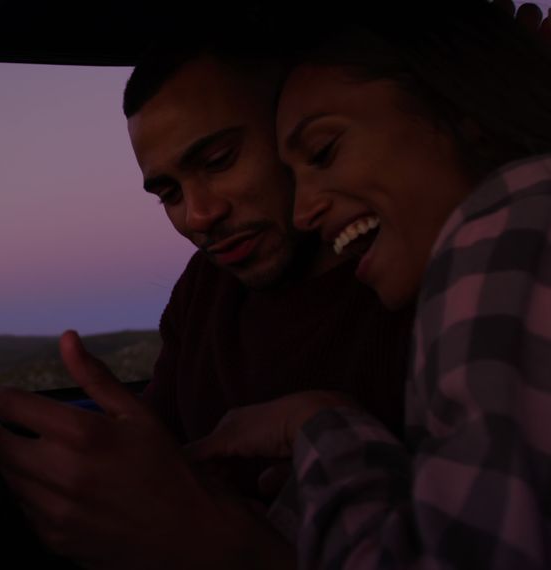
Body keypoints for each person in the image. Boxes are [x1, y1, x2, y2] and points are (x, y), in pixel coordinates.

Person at [0, 4, 414, 567]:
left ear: (293, 124)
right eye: (169, 194)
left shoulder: (416, 286)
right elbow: (159, 455)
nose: (197, 215)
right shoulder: (209, 285)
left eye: (218, 160)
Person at [189, 1, 551, 567]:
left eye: (324, 151)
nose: (304, 212)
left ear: (461, 110)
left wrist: (315, 428)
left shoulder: (505, 224)